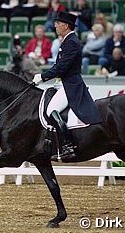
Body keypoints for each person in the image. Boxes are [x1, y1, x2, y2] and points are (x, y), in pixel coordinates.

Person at [32, 11, 101, 160]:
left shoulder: (72, 42)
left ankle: (68, 146)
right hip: (61, 83)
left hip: (69, 85)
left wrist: (42, 77)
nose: (55, 25)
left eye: (58, 23)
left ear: (66, 25)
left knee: (51, 110)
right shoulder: (67, 41)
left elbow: (61, 67)